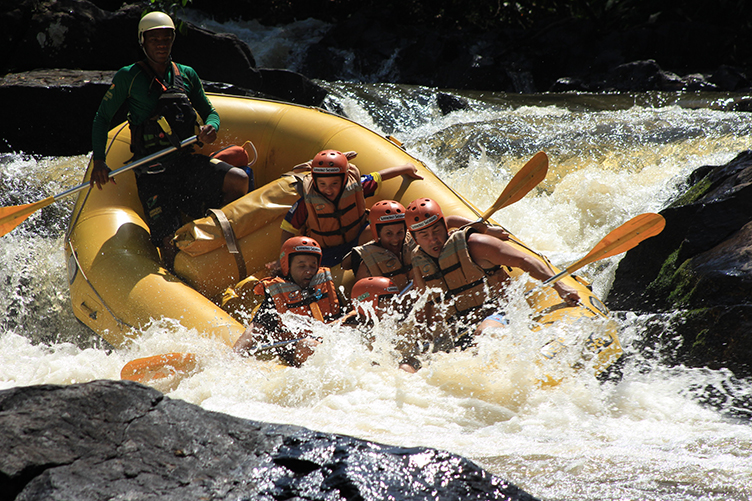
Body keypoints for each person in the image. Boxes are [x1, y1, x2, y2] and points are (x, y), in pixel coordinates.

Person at [89, 11, 248, 267]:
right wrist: (99, 160)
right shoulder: (129, 77)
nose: (161, 44)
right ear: (143, 42)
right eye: (154, 40)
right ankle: (180, 276)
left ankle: (219, 246)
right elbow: (101, 118)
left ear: (173, 40)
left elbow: (210, 112)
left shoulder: (186, 74)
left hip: (184, 162)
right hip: (152, 172)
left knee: (239, 180)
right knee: (168, 243)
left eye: (166, 38)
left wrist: (211, 126)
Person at [406, 197, 580, 348]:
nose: (433, 239)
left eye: (436, 231)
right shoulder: (421, 267)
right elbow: (424, 308)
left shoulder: (475, 245)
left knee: (485, 333)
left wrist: (560, 287)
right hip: (461, 330)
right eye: (424, 235)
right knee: (408, 365)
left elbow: (524, 260)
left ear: (445, 227)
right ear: (415, 239)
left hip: (502, 313)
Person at [276, 149, 423, 268]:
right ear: (315, 182)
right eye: (323, 184)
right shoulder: (307, 201)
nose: (328, 190)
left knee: (377, 228)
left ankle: (402, 258)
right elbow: (289, 228)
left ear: (344, 180)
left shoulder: (355, 187)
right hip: (326, 251)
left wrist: (406, 168)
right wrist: (282, 258)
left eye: (334, 184)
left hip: (358, 238)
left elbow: (377, 177)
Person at [343, 199, 512, 292]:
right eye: (389, 234)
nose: (396, 239)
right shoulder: (367, 263)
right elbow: (364, 295)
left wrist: (485, 230)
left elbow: (450, 222)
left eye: (399, 232)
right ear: (376, 233)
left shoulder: (416, 238)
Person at [233, 236, 345, 366]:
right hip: (294, 349)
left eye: (313, 265)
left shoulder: (324, 286)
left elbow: (341, 319)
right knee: (308, 345)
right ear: (287, 266)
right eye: (301, 266)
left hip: (326, 342)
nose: (309, 271)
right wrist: (234, 356)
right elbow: (254, 330)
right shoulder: (276, 296)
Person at [340, 276, 422, 373]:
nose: (393, 307)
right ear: (369, 303)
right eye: (388, 302)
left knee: (406, 367)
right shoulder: (349, 330)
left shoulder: (398, 325)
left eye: (394, 301)